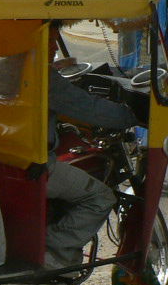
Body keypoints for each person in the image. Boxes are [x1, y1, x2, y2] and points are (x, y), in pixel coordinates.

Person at [44, 22, 138, 269]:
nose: (54, 45)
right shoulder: (39, 77)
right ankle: (54, 251)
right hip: (35, 165)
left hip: (1, 157)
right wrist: (131, 116)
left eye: (55, 39)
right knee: (100, 197)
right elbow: (88, 108)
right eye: (49, 39)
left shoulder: (0, 69)